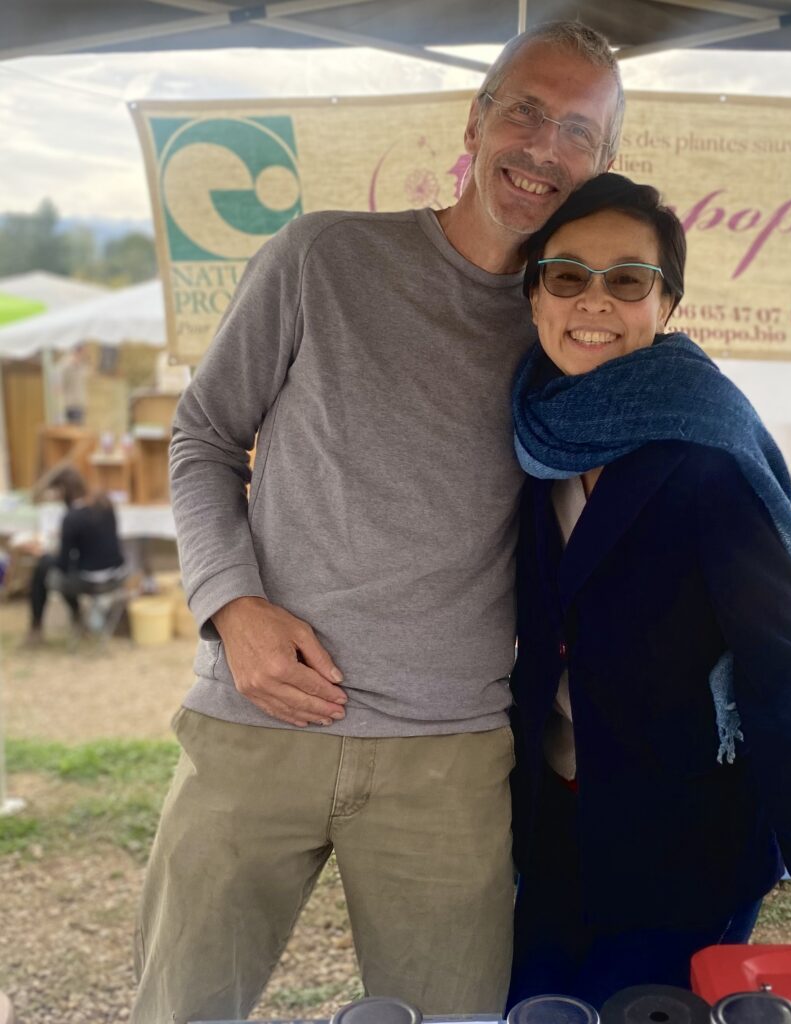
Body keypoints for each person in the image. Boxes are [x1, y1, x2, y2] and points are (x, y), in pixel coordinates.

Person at [131, 22, 624, 1023]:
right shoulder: (324, 253)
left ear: (602, 165)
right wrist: (230, 604)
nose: (542, 147)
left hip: (446, 759)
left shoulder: (570, 331)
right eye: (524, 109)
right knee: (178, 1012)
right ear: (475, 117)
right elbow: (202, 436)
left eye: (577, 130)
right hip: (255, 721)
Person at [507, 174, 791, 1009]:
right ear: (533, 294)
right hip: (549, 827)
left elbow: (786, 677)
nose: (595, 300)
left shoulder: (710, 454)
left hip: (683, 844)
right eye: (567, 275)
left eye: (628, 279)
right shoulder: (533, 425)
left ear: (666, 305)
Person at [22, 467, 125, 646]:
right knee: (62, 569)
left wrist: (41, 552)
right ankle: (77, 619)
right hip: (116, 575)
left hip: (90, 580)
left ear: (63, 491)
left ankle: (37, 628)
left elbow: (63, 563)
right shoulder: (104, 503)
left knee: (44, 567)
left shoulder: (72, 517)